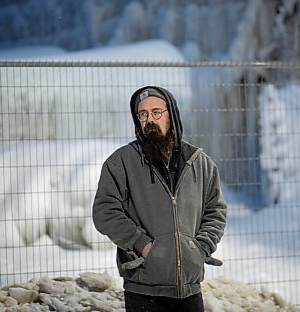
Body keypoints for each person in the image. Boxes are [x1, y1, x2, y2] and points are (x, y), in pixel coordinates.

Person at [92, 85, 227, 312]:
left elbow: (215, 211)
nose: (149, 119)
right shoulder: (121, 163)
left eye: (156, 112)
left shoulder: (200, 163)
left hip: (190, 289)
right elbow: (105, 211)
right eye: (143, 114)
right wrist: (142, 245)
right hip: (143, 289)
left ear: (171, 115)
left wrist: (200, 247)